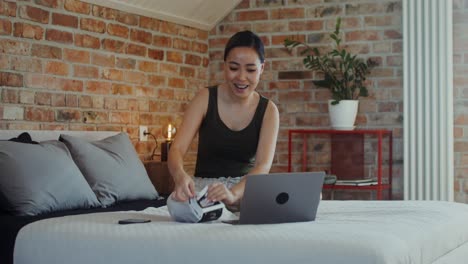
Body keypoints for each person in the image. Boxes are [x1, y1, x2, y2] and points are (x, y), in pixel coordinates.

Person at [167, 30, 279, 210]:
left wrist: (233, 194)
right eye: (234, 68)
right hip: (206, 189)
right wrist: (180, 175)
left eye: (250, 70)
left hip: (244, 190)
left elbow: (262, 167)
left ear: (262, 68)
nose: (241, 77)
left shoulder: (269, 110)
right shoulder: (204, 98)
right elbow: (177, 149)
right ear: (224, 65)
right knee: (177, 206)